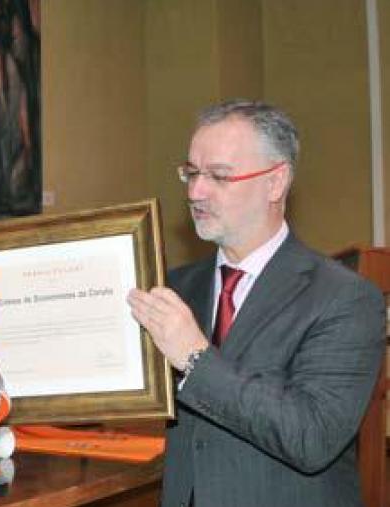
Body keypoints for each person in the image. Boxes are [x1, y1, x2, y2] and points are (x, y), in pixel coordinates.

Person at [127, 100, 385, 507]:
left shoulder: (347, 298)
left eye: (219, 176)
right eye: (191, 173)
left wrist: (195, 357)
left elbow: (312, 436)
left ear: (275, 183)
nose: (196, 192)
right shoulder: (172, 288)